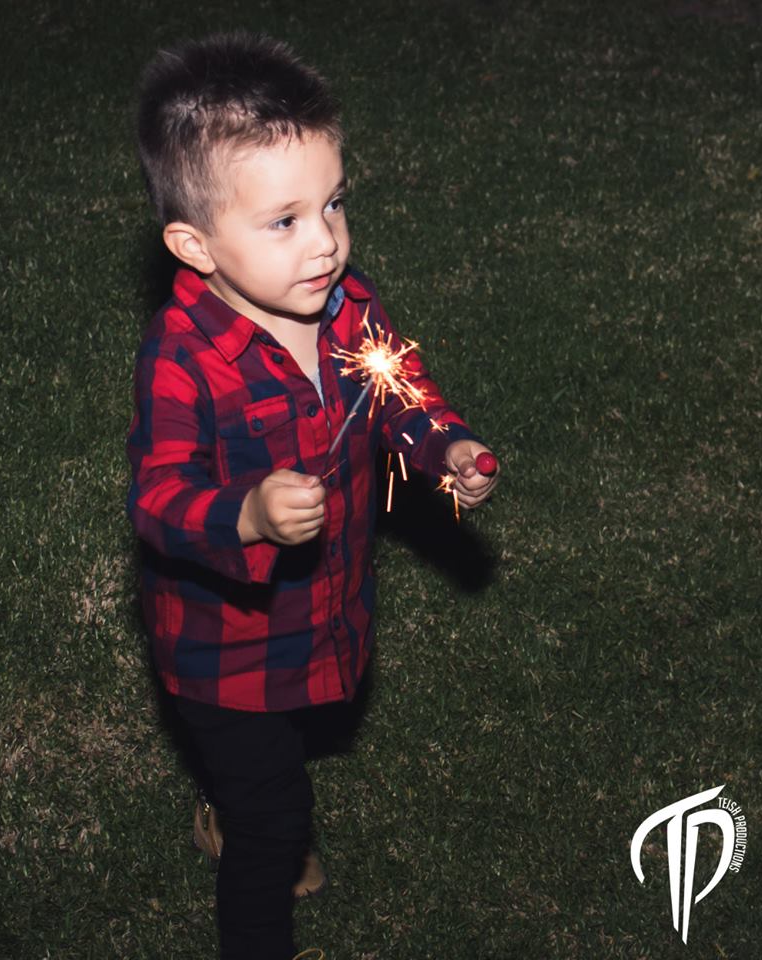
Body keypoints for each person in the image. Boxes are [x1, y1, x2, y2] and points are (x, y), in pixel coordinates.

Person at [127, 31, 499, 960]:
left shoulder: (347, 305)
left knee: (295, 734)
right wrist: (246, 515)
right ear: (194, 245)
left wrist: (445, 445)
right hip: (225, 648)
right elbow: (159, 500)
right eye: (284, 221)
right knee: (275, 821)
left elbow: (395, 387)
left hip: (325, 604)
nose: (326, 241)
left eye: (333, 203)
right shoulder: (183, 360)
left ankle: (233, 797)